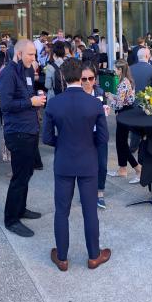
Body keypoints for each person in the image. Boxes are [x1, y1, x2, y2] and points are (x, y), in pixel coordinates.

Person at [43, 59, 112, 271]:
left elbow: (47, 138)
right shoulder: (94, 103)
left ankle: (62, 258)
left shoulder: (54, 103)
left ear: (62, 76)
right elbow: (103, 138)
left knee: (61, 211)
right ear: (80, 76)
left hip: (64, 161)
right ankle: (93, 256)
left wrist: (63, 142)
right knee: (90, 211)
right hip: (88, 160)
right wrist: (87, 143)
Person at [0, 39, 46, 237]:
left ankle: (20, 209)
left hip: (31, 130)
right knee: (19, 177)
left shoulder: (27, 71)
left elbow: (28, 94)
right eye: (30, 54)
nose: (34, 58)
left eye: (35, 54)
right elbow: (5, 105)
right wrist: (30, 102)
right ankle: (11, 219)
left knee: (27, 173)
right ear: (19, 54)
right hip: (17, 133)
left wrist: (37, 98)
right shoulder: (8, 74)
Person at [77, 62, 110, 209]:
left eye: (90, 78)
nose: (87, 82)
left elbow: (104, 109)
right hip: (83, 134)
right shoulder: (76, 94)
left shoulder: (99, 92)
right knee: (84, 165)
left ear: (95, 79)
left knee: (102, 165)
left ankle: (99, 192)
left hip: (99, 132)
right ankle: (85, 192)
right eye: (84, 79)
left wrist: (105, 110)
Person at [107, 59, 139, 180]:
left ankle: (137, 168)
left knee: (122, 143)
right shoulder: (127, 81)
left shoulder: (123, 83)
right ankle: (122, 169)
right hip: (127, 113)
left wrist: (111, 99)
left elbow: (119, 105)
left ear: (120, 70)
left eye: (116, 68)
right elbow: (125, 99)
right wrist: (114, 96)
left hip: (123, 114)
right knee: (121, 142)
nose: (114, 70)